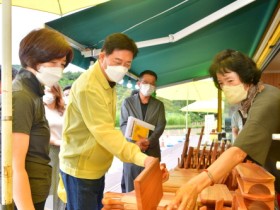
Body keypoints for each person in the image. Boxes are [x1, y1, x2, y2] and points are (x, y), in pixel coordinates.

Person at [59, 33, 164, 210]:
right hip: (81, 169)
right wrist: (142, 158)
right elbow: (106, 133)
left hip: (96, 167)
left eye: (127, 64)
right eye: (117, 61)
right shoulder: (89, 87)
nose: (122, 68)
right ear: (102, 57)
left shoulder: (108, 81)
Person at [167, 49, 280, 210]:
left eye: (230, 80)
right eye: (221, 83)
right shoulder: (247, 103)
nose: (225, 87)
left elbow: (239, 151)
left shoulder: (267, 100)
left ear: (247, 78)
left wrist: (196, 185)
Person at [12, 28, 73, 210]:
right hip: (25, 196)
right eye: (53, 62)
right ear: (34, 59)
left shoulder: (33, 92)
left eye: (62, 64)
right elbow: (15, 166)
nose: (59, 69)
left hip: (36, 188)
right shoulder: (21, 96)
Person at [120, 70, 166, 192]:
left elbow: (161, 126)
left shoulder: (159, 105)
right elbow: (123, 124)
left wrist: (149, 141)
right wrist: (137, 141)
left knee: (151, 188)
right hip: (133, 149)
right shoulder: (128, 102)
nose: (149, 86)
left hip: (152, 151)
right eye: (146, 82)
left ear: (154, 87)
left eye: (152, 83)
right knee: (131, 187)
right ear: (139, 83)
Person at [43, 84, 66, 210]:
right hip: (49, 151)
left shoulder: (63, 109)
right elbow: (40, 133)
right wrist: (56, 141)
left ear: (56, 92)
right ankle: (49, 208)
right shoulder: (41, 109)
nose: (46, 94)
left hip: (64, 151)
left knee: (62, 184)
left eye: (49, 91)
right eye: (44, 90)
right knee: (50, 185)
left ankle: (60, 207)